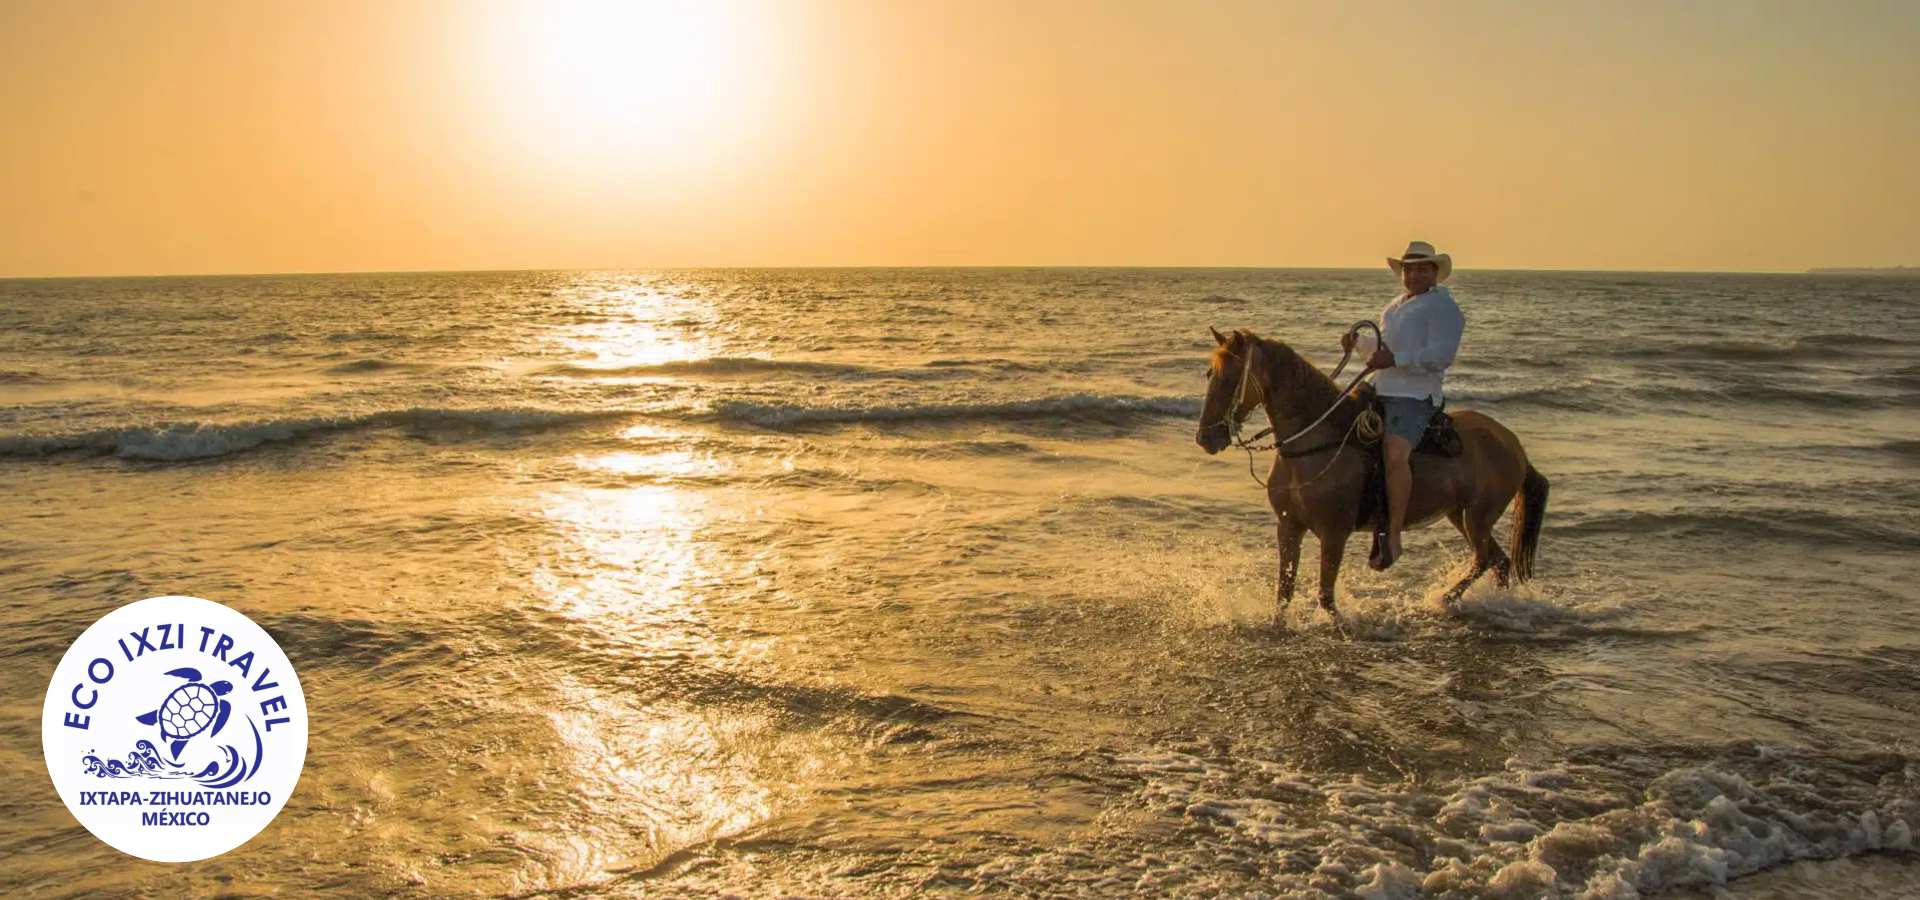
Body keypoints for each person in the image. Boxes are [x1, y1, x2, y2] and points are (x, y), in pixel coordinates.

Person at [1340, 240, 1466, 570]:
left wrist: (1396, 359)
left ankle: (1393, 534)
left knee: (1395, 454)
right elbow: (1381, 350)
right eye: (1408, 268)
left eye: (1421, 268)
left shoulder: (1444, 308)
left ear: (1435, 273)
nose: (1412, 274)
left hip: (1414, 395)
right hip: (1380, 386)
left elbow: (1441, 356)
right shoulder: (1396, 306)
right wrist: (1359, 344)